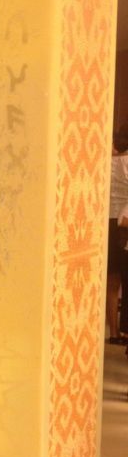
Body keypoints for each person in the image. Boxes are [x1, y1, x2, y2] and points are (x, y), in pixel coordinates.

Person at [106, 125, 128, 343]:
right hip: (125, 222)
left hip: (107, 221)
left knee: (111, 281)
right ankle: (125, 330)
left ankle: (113, 333)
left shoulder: (106, 163)